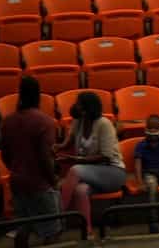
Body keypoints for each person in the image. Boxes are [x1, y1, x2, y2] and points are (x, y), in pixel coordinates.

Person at [0, 77, 62, 248]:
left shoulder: (8, 121)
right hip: (40, 183)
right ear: (38, 95)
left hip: (17, 181)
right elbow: (45, 157)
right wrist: (53, 180)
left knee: (22, 228)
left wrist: (17, 169)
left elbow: (4, 154)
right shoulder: (45, 122)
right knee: (52, 231)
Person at [57, 91, 125, 238]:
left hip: (113, 172)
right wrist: (57, 147)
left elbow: (105, 157)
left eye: (78, 104)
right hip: (90, 172)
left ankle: (57, 218)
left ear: (88, 107)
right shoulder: (78, 121)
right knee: (80, 190)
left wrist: (75, 160)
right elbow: (67, 142)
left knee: (75, 170)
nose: (75, 106)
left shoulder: (104, 124)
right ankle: (87, 232)